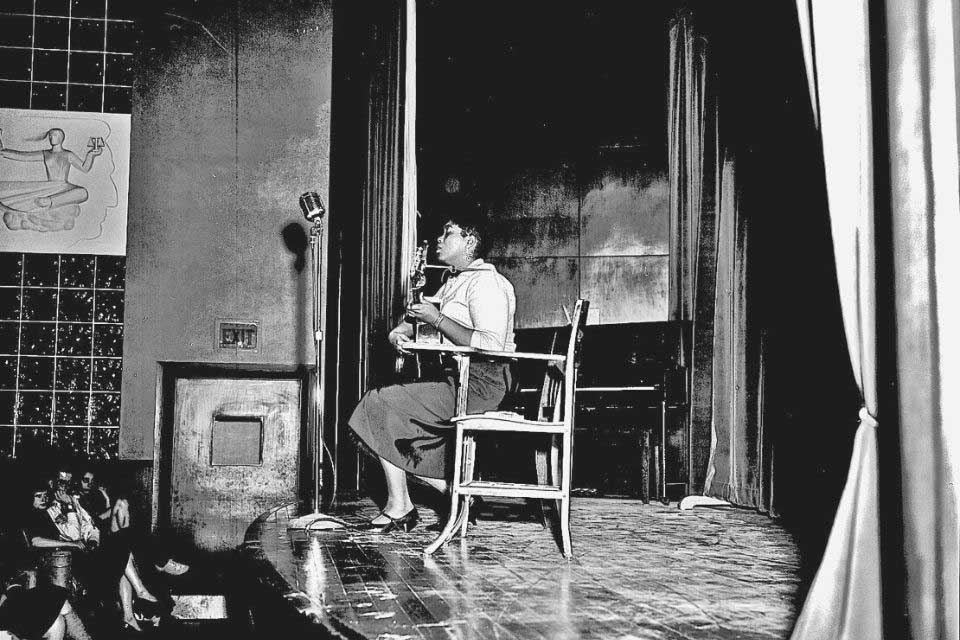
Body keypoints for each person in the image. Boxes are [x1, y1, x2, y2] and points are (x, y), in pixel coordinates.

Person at [348, 205, 516, 533]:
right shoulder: (456, 280)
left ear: (470, 242)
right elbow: (420, 316)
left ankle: (412, 501)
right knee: (382, 409)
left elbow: (491, 344)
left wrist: (435, 319)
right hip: (461, 379)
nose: (439, 240)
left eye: (447, 233)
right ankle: (441, 491)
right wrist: (400, 331)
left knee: (378, 403)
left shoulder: (487, 284)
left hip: (484, 383)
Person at [25, 482, 163, 633]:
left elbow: (88, 525)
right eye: (38, 496)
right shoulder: (32, 515)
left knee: (123, 548)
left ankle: (132, 611)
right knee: (123, 547)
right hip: (65, 565)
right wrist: (71, 543)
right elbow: (36, 541)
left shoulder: (50, 510)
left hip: (76, 557)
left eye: (45, 495)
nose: (44, 499)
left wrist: (85, 540)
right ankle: (141, 593)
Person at [72, 467, 188, 577]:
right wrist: (110, 510)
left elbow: (104, 516)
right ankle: (160, 561)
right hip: (96, 538)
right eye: (85, 480)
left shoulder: (92, 496)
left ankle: (156, 558)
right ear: (78, 481)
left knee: (124, 507)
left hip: (106, 531)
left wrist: (106, 498)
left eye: (92, 481)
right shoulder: (75, 499)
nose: (89, 484)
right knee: (122, 506)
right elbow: (92, 522)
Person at [0, 128, 102, 231]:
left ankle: (51, 201)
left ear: (61, 138)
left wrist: (91, 155)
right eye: (50, 136)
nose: (51, 138)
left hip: (63, 186)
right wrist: (3, 152)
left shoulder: (68, 154)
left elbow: (84, 168)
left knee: (83, 193)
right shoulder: (46, 154)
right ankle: (47, 202)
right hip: (49, 187)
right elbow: (24, 156)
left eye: (54, 136)